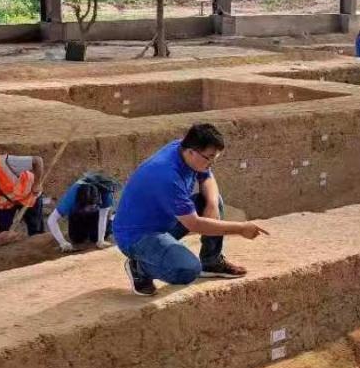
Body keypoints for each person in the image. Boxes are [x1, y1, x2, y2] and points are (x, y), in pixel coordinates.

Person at [112, 123, 269, 297]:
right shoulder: (166, 175)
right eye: (209, 158)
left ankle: (211, 262)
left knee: (212, 200)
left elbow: (208, 180)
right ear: (191, 151)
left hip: (164, 221)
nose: (212, 163)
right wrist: (240, 229)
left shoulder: (186, 149)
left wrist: (211, 205)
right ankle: (139, 268)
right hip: (137, 236)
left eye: (215, 158)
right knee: (187, 269)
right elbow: (194, 224)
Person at [47, 171, 120, 253]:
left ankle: (111, 220)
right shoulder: (71, 198)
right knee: (77, 238)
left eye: (92, 207)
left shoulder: (106, 194)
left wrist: (100, 240)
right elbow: (51, 220)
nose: (90, 209)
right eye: (88, 207)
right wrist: (63, 242)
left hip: (97, 212)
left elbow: (102, 216)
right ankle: (85, 223)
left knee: (95, 237)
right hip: (78, 211)